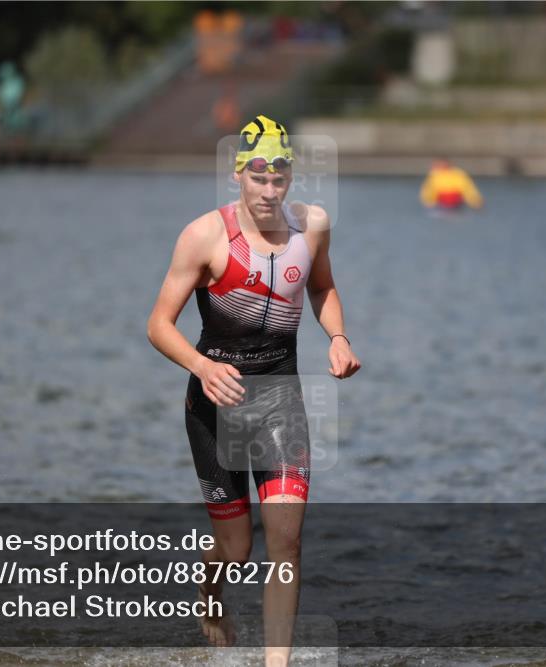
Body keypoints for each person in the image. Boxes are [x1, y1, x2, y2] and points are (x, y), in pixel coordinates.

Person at [147, 115, 360, 665]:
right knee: (238, 549)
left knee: (285, 544)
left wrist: (336, 335)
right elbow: (158, 325)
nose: (269, 190)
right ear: (238, 173)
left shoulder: (312, 226)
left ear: (291, 178)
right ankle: (210, 591)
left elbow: (323, 286)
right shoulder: (204, 236)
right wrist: (200, 365)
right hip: (216, 406)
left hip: (281, 403)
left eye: (280, 178)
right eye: (259, 177)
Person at [419, 158, 484, 210]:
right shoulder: (434, 175)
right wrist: (428, 202)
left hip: (457, 203)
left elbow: (468, 189)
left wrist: (475, 200)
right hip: (441, 204)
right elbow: (428, 190)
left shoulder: (458, 174)